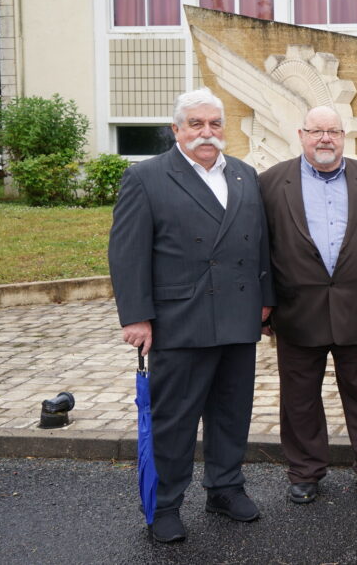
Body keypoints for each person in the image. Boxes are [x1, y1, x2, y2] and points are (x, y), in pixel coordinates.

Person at [108, 88, 274, 543]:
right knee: (174, 419)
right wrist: (136, 318)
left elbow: (259, 243)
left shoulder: (243, 175)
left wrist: (266, 298)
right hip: (179, 318)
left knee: (231, 412)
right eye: (196, 124)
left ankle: (224, 487)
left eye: (215, 124)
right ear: (176, 130)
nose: (207, 133)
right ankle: (165, 505)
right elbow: (127, 254)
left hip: (239, 315)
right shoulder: (147, 177)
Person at [259, 106, 357, 504]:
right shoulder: (271, 183)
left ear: (344, 136)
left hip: (355, 310)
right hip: (296, 312)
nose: (325, 139)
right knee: (299, 397)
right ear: (301, 134)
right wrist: (265, 304)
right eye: (316, 131)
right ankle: (305, 471)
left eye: (333, 131)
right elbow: (260, 249)